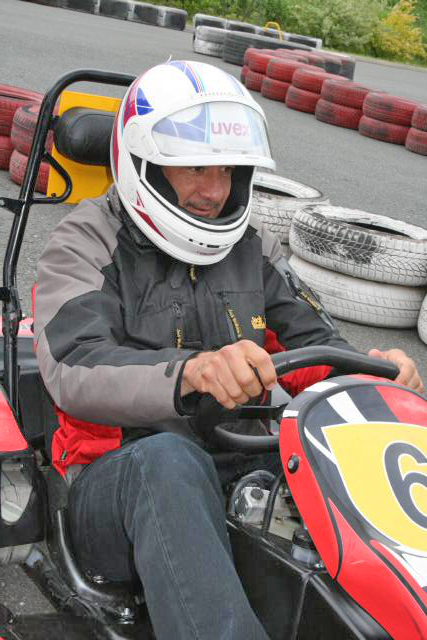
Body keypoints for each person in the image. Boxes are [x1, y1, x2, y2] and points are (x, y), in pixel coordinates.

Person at [34, 60, 423, 640]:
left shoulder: (250, 249)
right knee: (170, 462)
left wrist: (374, 372)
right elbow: (75, 365)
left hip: (241, 458)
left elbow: (316, 346)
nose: (214, 192)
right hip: (115, 483)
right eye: (194, 168)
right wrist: (190, 372)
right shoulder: (84, 242)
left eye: (227, 170)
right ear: (144, 164)